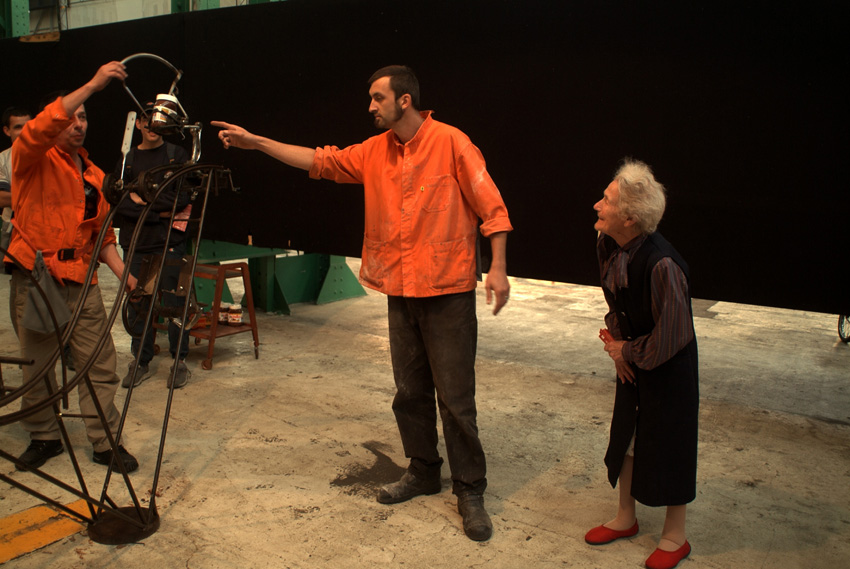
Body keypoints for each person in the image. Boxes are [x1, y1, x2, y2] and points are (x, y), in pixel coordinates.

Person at [212, 65, 512, 541]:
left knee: (455, 400)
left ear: (404, 100)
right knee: (409, 392)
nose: (370, 106)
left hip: (448, 291)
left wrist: (496, 267)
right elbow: (320, 161)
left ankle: (470, 489)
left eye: (377, 98)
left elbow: (491, 207)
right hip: (400, 289)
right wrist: (258, 143)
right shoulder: (375, 152)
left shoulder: (453, 142)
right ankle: (423, 470)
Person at [5, 62, 140, 473]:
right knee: (39, 364)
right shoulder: (30, 160)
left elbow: (102, 237)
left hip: (82, 283)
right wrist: (93, 85)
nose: (78, 124)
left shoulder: (95, 175)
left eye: (84, 118)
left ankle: (104, 442)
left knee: (99, 363)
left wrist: (125, 275)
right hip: (38, 279)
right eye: (73, 117)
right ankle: (44, 436)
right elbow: (39, 127)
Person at [586, 159, 699, 569]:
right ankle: (625, 517)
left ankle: (675, 536)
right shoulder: (608, 244)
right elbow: (615, 299)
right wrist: (617, 341)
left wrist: (625, 352)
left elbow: (673, 334)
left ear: (629, 218)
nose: (597, 205)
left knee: (670, 442)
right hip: (633, 354)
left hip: (668, 364)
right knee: (628, 435)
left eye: (607, 200)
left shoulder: (662, 265)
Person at [115, 103, 192, 389]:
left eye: (156, 120)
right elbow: (120, 202)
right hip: (137, 242)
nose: (151, 125)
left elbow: (181, 200)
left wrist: (142, 201)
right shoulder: (129, 159)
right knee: (139, 302)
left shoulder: (176, 155)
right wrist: (154, 208)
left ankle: (179, 361)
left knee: (174, 302)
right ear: (138, 124)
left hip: (170, 242)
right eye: (145, 120)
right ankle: (141, 360)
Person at [1, 106, 32, 337]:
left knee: (55, 289)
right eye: (17, 127)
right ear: (7, 130)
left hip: (47, 231)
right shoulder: (3, 159)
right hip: (14, 230)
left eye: (27, 125)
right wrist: (36, 194)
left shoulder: (48, 153)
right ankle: (26, 346)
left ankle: (65, 347)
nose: (23, 131)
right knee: (20, 289)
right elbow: (1, 197)